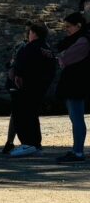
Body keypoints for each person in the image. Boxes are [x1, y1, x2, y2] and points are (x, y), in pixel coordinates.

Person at [8, 22, 56, 158]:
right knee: (33, 114)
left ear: (34, 33)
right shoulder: (47, 49)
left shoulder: (30, 47)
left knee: (22, 114)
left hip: (27, 86)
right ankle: (35, 144)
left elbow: (21, 63)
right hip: (40, 87)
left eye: (29, 32)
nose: (28, 35)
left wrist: (17, 75)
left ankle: (28, 143)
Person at [52, 12, 90, 163]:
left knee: (77, 118)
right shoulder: (79, 40)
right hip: (74, 83)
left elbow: (65, 58)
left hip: (76, 84)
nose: (66, 29)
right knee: (75, 118)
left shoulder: (83, 41)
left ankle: (78, 152)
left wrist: (60, 56)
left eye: (69, 26)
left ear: (78, 26)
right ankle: (76, 150)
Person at [2, 35, 26, 153]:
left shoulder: (21, 46)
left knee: (16, 114)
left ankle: (10, 142)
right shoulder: (24, 47)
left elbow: (11, 64)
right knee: (19, 113)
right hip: (20, 84)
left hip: (15, 84)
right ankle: (23, 142)